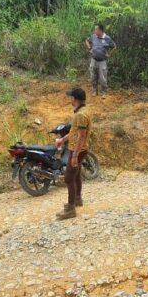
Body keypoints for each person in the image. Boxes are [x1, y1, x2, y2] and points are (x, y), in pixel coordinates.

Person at [56, 88, 91, 220]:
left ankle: (70, 209)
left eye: (71, 97)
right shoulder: (81, 112)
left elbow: (81, 136)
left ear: (75, 99)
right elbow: (73, 132)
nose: (70, 99)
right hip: (79, 148)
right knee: (76, 174)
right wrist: (62, 140)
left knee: (69, 178)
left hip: (78, 149)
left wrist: (75, 155)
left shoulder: (81, 115)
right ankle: (78, 199)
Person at [85, 24, 116, 96]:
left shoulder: (107, 38)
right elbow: (87, 40)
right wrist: (89, 48)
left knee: (103, 78)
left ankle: (104, 92)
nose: (95, 31)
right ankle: (94, 91)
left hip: (102, 61)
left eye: (96, 29)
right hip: (93, 60)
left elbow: (114, 46)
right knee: (93, 76)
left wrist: (109, 54)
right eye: (95, 29)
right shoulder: (93, 36)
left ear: (100, 30)